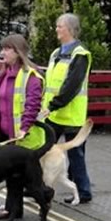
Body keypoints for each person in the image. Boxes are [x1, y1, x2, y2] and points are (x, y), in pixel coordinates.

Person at [0, 34, 45, 220]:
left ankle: (41, 203)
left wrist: (24, 127)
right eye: (2, 48)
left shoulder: (31, 76)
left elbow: (32, 105)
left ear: (17, 52)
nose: (2, 52)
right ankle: (14, 209)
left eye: (6, 49)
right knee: (11, 174)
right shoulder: (5, 73)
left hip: (22, 136)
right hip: (5, 133)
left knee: (24, 177)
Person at [40, 13, 93, 204]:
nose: (56, 29)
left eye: (59, 26)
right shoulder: (56, 53)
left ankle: (83, 191)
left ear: (70, 29)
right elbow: (50, 82)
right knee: (43, 149)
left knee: (75, 155)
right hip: (53, 113)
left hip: (70, 114)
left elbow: (72, 85)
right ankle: (40, 187)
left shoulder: (81, 54)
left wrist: (53, 105)